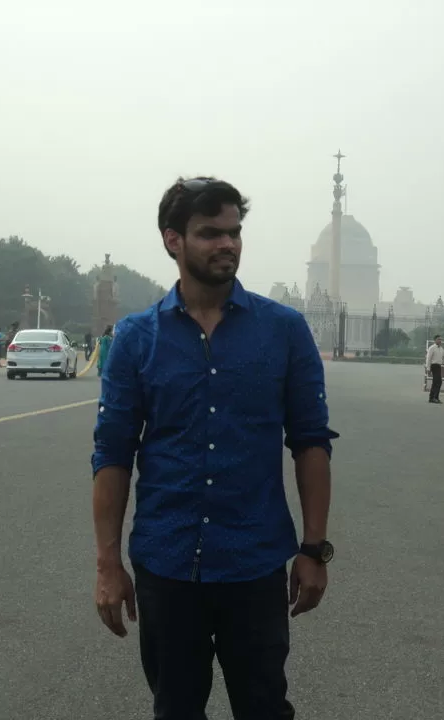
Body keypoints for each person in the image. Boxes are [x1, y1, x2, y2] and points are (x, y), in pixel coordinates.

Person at [92, 176, 338, 720]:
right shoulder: (137, 338)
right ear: (172, 240)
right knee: (175, 709)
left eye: (234, 232)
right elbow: (112, 454)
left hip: (253, 561)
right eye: (210, 233)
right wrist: (108, 564)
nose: (227, 244)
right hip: (167, 562)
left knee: (264, 707)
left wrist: (314, 548)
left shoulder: (283, 331)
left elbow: (310, 442)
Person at [425, 334, 444, 404]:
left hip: (439, 366)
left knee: (435, 382)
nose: (440, 341)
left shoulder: (441, 349)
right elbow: (428, 358)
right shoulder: (432, 348)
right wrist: (428, 368)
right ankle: (434, 397)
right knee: (438, 382)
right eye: (438, 339)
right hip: (434, 366)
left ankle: (432, 398)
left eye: (440, 339)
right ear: (435, 340)